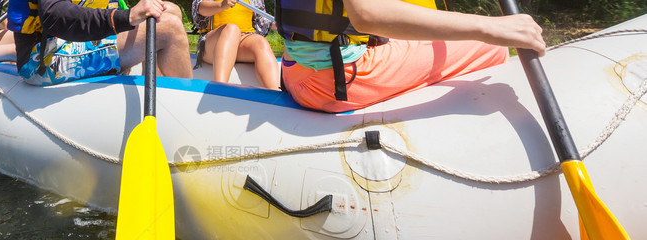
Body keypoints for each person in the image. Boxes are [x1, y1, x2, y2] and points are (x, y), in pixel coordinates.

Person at [276, 0, 546, 113]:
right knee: (492, 47)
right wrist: (489, 28)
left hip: (295, 69)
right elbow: (367, 15)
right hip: (336, 80)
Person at [7, 0, 192, 86]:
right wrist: (126, 17)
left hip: (78, 41)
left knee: (170, 10)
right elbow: (54, 15)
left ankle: (163, 96)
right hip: (40, 57)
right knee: (170, 27)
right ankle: (187, 117)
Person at [192, 0, 279, 89]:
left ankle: (276, 94)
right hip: (212, 41)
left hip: (242, 40)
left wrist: (283, 24)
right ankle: (220, 89)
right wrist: (222, 4)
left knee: (260, 42)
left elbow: (263, 20)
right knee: (231, 30)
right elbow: (200, 8)